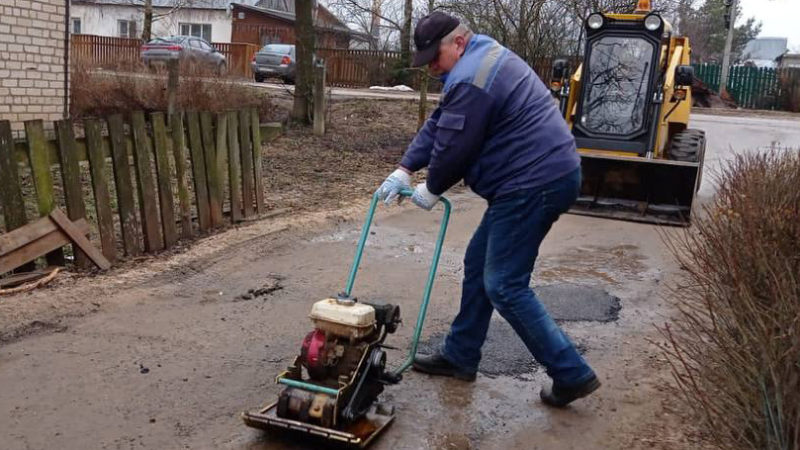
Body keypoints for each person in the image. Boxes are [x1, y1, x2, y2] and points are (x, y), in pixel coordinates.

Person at [375, 11, 599, 407]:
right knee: (479, 265)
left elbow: (454, 147)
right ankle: (461, 355)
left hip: (533, 184)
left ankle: (571, 372)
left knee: (505, 285)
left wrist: (431, 187)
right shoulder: (477, 62)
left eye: (434, 56)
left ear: (457, 42)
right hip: (537, 178)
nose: (429, 66)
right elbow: (441, 123)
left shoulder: (473, 77)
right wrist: (404, 168)